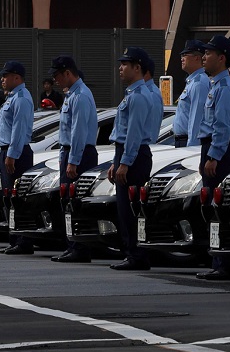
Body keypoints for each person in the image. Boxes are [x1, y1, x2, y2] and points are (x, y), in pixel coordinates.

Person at [196, 34, 230, 281]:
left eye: (208, 53)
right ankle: (218, 261)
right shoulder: (216, 85)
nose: (204, 57)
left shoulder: (224, 88)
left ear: (222, 58)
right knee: (212, 208)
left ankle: (226, 264)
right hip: (213, 148)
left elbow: (222, 126)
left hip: (221, 152)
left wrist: (213, 155)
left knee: (220, 208)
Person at [107, 47, 157, 271]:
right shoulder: (132, 94)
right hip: (126, 153)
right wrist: (115, 162)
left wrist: (125, 163)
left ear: (137, 68)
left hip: (135, 156)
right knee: (124, 208)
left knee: (131, 209)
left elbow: (134, 134)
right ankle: (132, 252)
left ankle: (137, 255)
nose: (120, 68)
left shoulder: (138, 96)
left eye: (125, 64)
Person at [49, 55, 98, 263]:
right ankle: (73, 244)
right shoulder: (71, 95)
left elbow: (79, 131)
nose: (55, 81)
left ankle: (80, 247)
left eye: (57, 76)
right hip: (70, 152)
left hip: (80, 153)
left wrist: (73, 160)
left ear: (68, 73)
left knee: (76, 201)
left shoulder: (81, 96)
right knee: (67, 201)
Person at [0, 61, 35, 255]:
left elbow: (19, 130)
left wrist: (11, 155)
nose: (2, 79)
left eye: (6, 76)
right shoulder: (11, 97)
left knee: (18, 198)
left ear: (17, 77)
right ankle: (14, 238)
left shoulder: (21, 98)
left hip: (17, 153)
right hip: (7, 151)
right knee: (9, 198)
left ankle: (23, 240)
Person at [171, 39, 208, 148]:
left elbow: (196, 118)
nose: (181, 59)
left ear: (197, 58)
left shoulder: (199, 83)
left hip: (188, 142)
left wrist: (192, 145)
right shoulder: (192, 81)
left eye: (185, 55)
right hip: (182, 140)